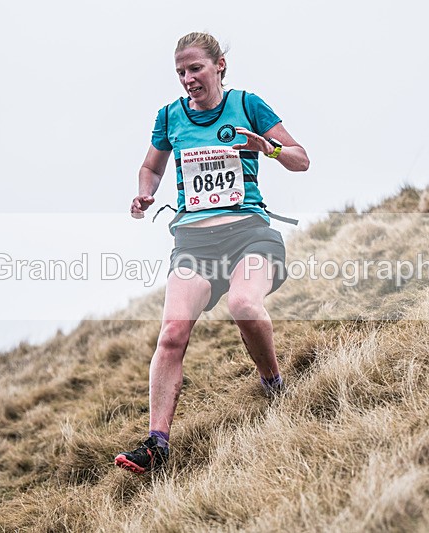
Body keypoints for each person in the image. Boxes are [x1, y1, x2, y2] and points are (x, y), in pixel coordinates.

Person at [114, 32, 309, 474]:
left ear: (219, 65)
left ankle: (273, 383)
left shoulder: (248, 104)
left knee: (243, 304)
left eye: (195, 68)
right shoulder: (169, 117)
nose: (187, 78)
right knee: (171, 334)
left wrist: (268, 147)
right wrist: (144, 194)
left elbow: (301, 159)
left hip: (249, 233)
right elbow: (151, 166)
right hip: (194, 244)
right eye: (180, 72)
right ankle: (157, 444)